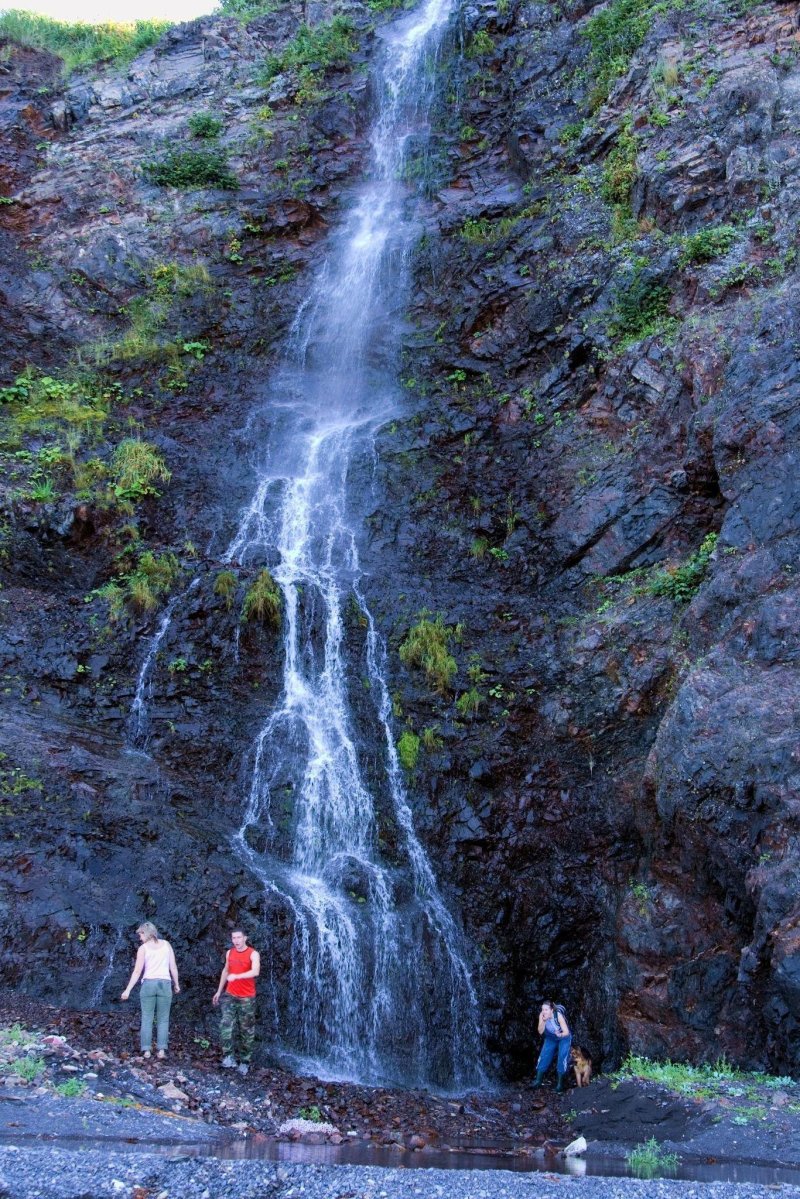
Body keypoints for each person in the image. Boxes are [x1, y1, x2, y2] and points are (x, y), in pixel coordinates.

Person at [120, 922, 180, 1060]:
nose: (139, 937)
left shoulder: (143, 949)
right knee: (163, 1020)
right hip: (165, 984)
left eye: (140, 934)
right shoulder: (166, 945)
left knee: (147, 1018)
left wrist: (127, 990)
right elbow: (173, 967)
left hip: (149, 984)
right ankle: (161, 1051)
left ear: (147, 933)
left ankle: (146, 1050)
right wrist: (176, 984)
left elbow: (137, 972)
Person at [212, 928, 260, 1076]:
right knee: (225, 1025)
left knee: (246, 1030)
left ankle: (245, 1061)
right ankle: (228, 1057)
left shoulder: (253, 953)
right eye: (234, 938)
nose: (236, 941)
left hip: (247, 997)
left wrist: (237, 976)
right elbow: (225, 971)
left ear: (245, 938)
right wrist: (219, 991)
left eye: (239, 937)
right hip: (230, 994)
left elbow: (255, 971)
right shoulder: (229, 953)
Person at [530, 1000, 572, 1093]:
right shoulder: (542, 1015)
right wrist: (544, 1021)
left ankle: (560, 1085)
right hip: (551, 1037)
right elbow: (540, 1031)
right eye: (542, 1009)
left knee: (562, 1057)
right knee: (544, 1056)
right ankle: (538, 1081)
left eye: (546, 1009)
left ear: (552, 1010)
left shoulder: (558, 1016)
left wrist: (560, 1035)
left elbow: (566, 1032)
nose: (544, 1011)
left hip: (563, 1037)